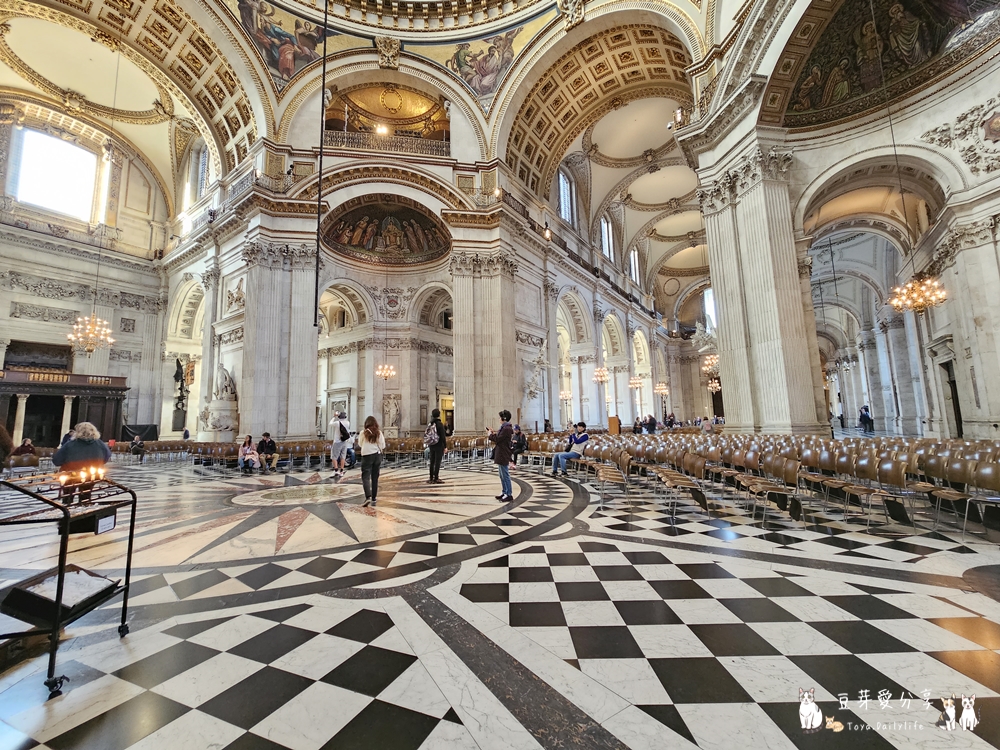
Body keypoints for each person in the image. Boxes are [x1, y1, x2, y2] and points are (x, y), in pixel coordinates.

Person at [52, 422, 111, 503]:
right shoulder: (100, 444)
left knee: (68, 497)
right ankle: (85, 509)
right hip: (92, 475)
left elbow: (57, 460)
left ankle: (68, 509)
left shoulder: (70, 444)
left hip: (71, 475)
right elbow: (106, 458)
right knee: (86, 496)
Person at [358, 416, 386, 507]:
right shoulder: (379, 433)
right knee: (375, 477)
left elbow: (359, 444)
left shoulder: (363, 433)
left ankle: (368, 497)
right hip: (377, 456)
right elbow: (383, 445)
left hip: (366, 456)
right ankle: (374, 497)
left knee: (366, 477)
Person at [487, 410, 514, 502]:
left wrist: (490, 435)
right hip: (501, 452)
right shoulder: (504, 428)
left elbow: (498, 439)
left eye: (500, 417)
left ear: (504, 418)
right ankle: (504, 491)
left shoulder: (506, 429)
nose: (499, 419)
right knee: (501, 475)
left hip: (503, 453)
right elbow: (499, 437)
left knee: (505, 475)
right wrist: (493, 433)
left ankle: (508, 494)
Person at [426, 408, 447, 484]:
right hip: (438, 445)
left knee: (432, 461)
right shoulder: (439, 424)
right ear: (439, 415)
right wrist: (445, 446)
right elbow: (443, 436)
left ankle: (431, 477)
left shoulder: (430, 423)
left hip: (431, 445)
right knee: (437, 462)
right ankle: (436, 478)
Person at [329, 410, 351, 477]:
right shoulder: (348, 422)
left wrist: (334, 416)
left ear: (339, 417)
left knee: (334, 456)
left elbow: (330, 423)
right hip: (344, 441)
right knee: (343, 456)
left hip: (337, 442)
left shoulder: (337, 423)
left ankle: (336, 470)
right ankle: (341, 470)